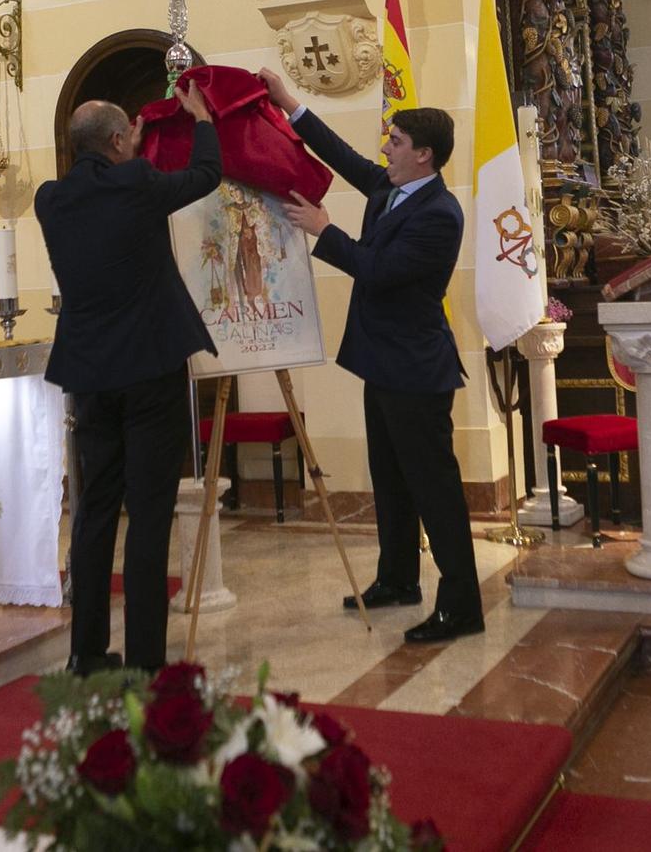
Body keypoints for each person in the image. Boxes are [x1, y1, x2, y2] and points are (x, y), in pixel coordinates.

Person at [259, 67, 480, 644]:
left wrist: (324, 230)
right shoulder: (389, 187)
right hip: (381, 363)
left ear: (425, 156)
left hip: (415, 369)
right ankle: (398, 579)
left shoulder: (440, 213)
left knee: (435, 490)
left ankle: (461, 605)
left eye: (397, 141)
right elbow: (342, 156)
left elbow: (379, 273)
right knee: (391, 480)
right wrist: (289, 105)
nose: (386, 147)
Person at [36, 83, 220, 674]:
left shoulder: (50, 200)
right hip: (150, 368)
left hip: (90, 375)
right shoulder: (139, 182)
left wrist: (126, 148)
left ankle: (86, 653)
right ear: (120, 140)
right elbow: (205, 175)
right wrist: (201, 120)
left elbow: (105, 180)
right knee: (148, 512)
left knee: (94, 510)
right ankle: (145, 660)